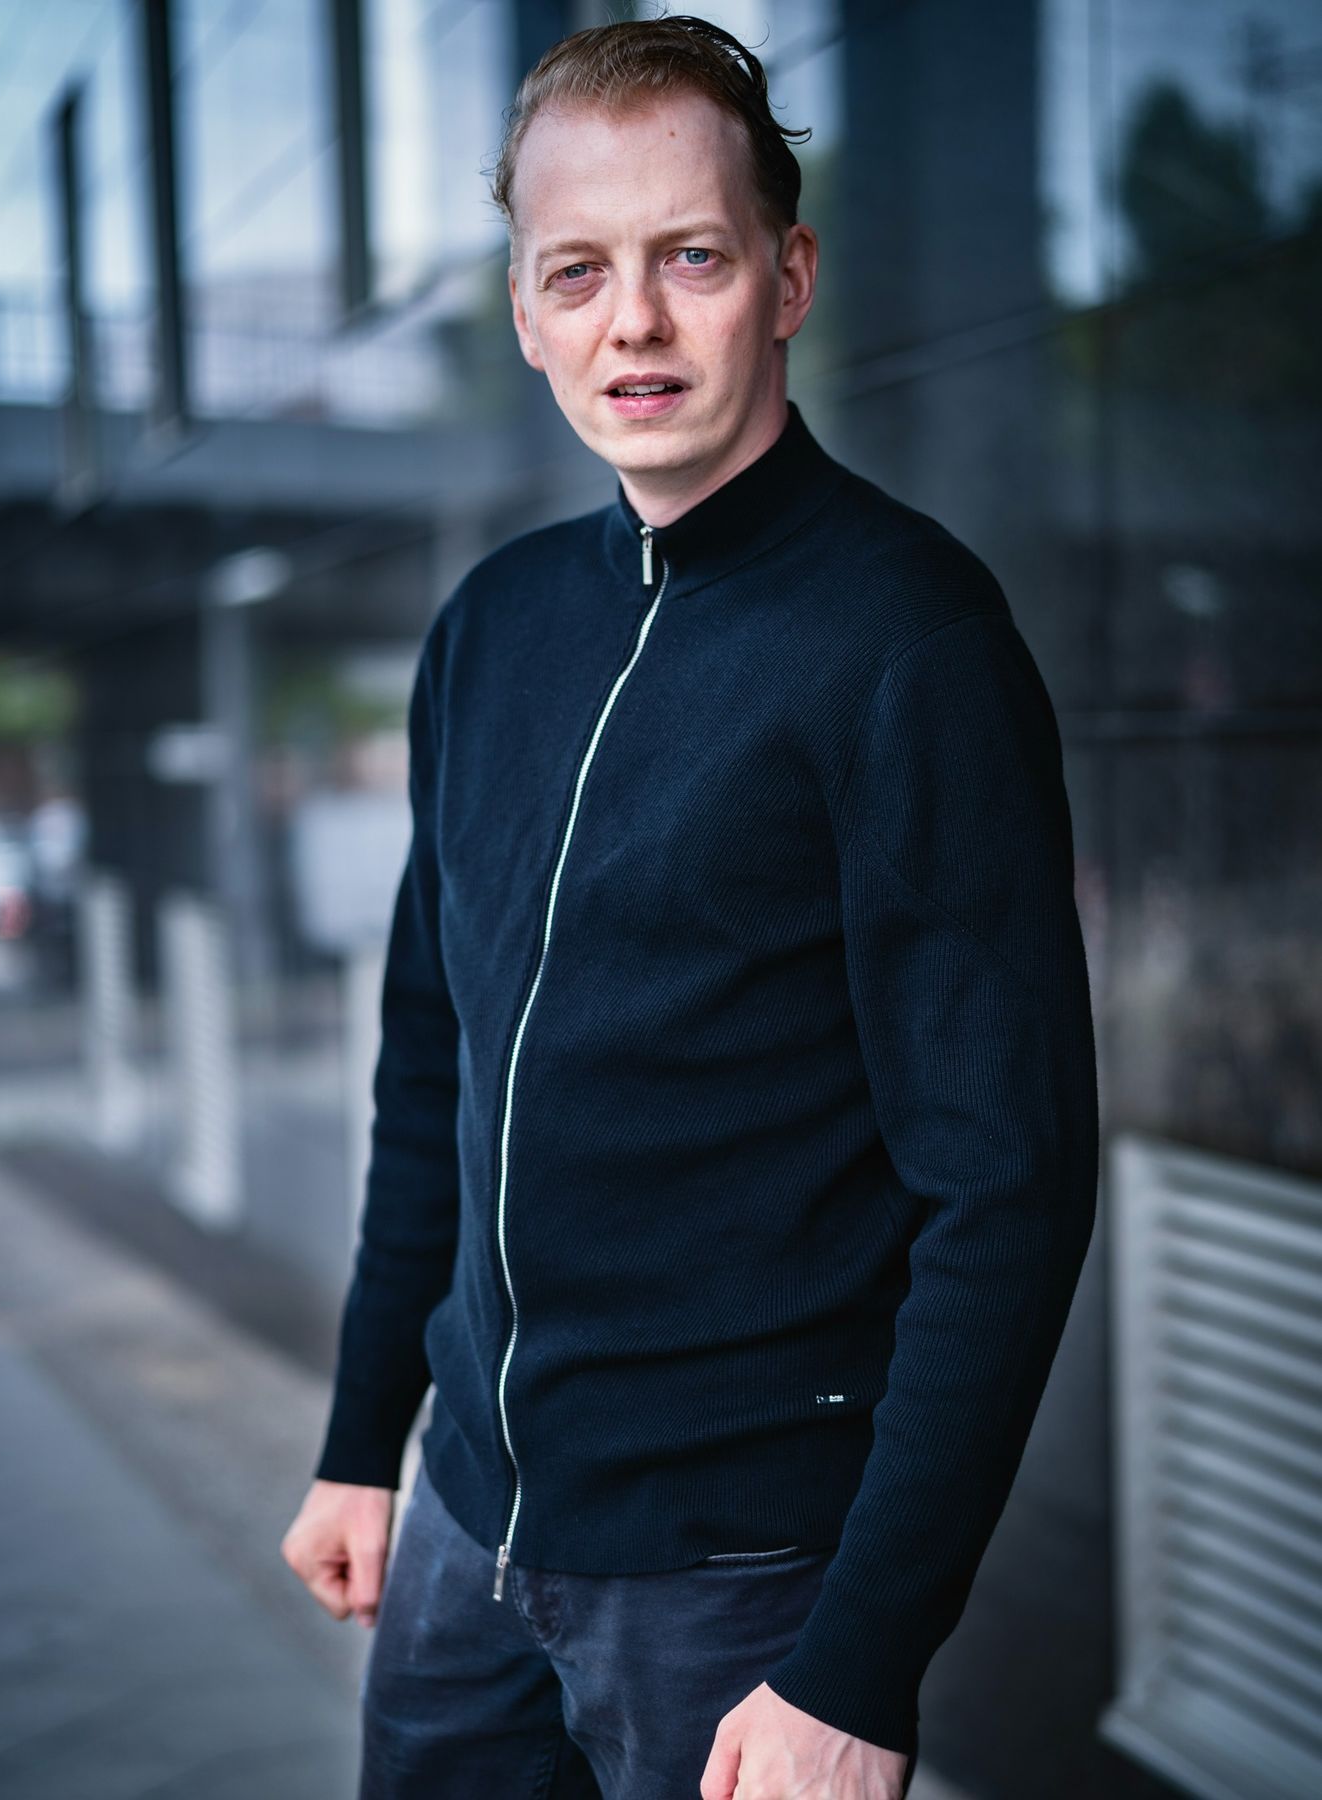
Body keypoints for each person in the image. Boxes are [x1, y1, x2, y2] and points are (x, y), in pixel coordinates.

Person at [279, 14, 1100, 1800]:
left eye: (692, 258)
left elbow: (1007, 1192)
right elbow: (431, 1067)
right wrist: (362, 1441)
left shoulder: (909, 644)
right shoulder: (489, 628)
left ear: (786, 279)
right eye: (576, 271)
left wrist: (858, 1666)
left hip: (737, 1590)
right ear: (524, 313)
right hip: (466, 1537)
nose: (631, 321)